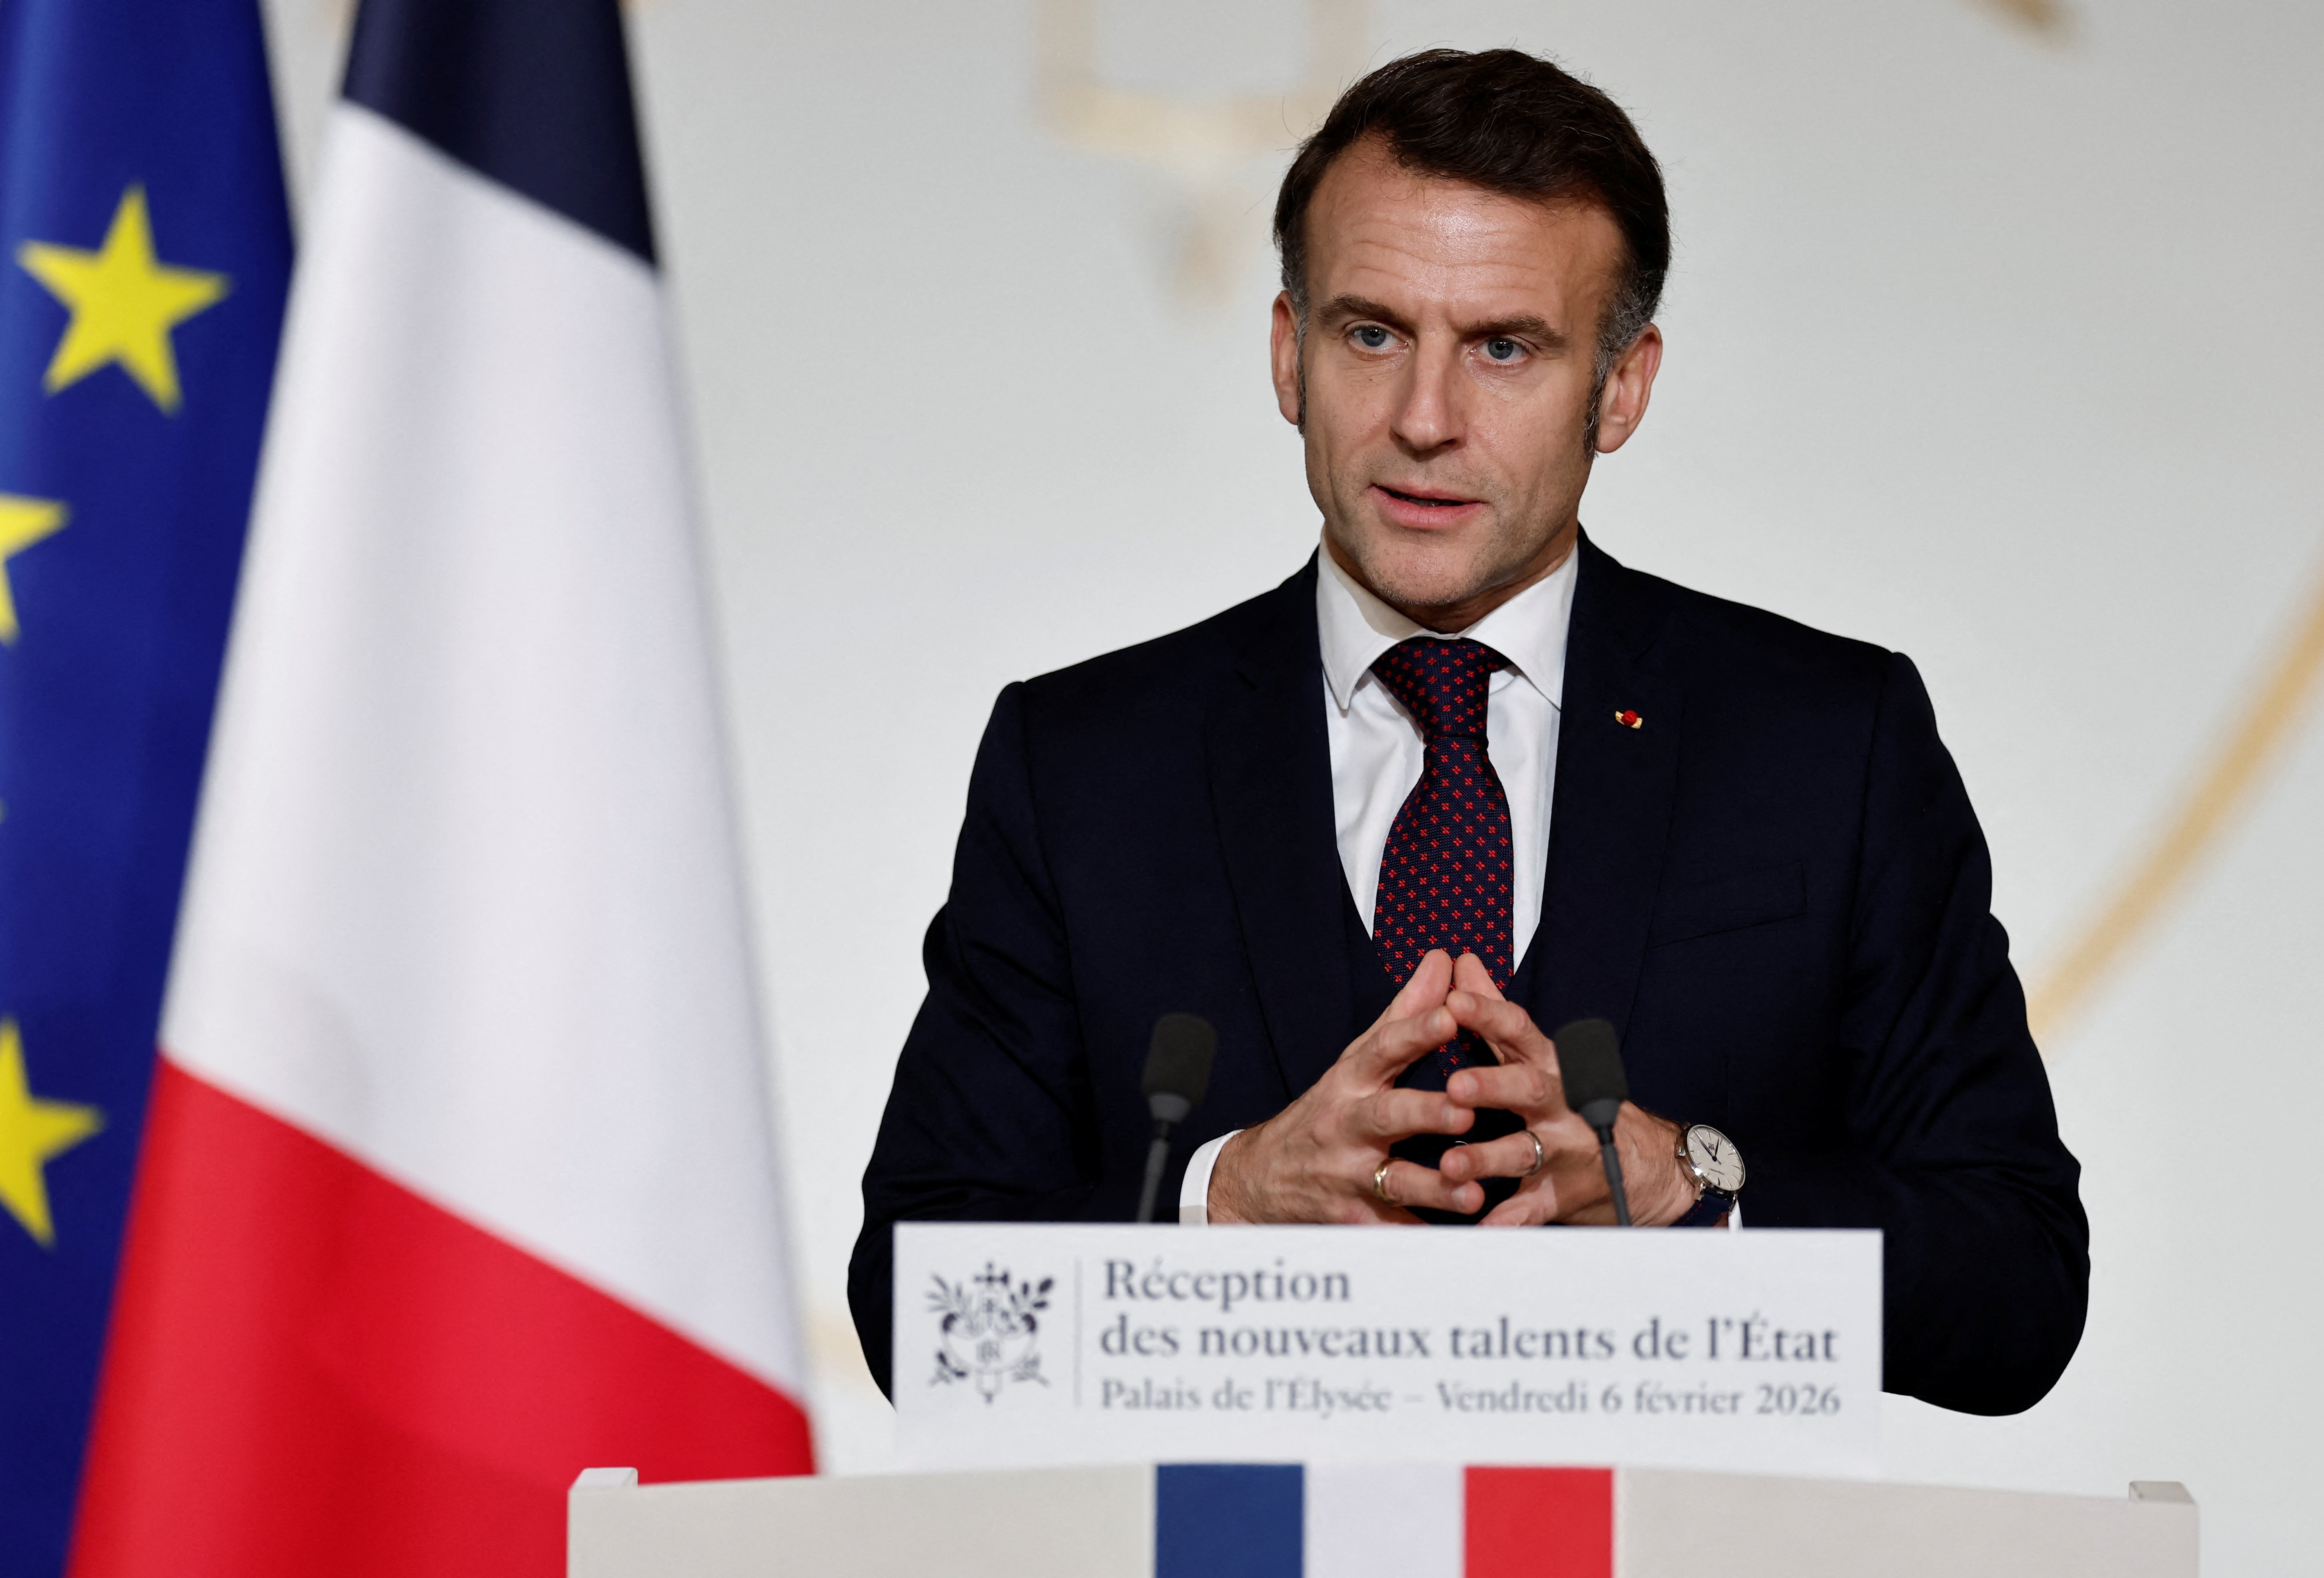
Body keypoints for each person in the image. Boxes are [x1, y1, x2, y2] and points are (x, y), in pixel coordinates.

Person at [850, 48, 2086, 1415]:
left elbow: (2019, 1290)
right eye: (1371, 333)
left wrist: (1695, 1189)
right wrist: (1220, 1203)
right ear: (1287, 355)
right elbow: (920, 1318)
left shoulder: (1826, 746)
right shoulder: (1084, 763)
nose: (1424, 420)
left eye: (1506, 349)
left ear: (1621, 391)